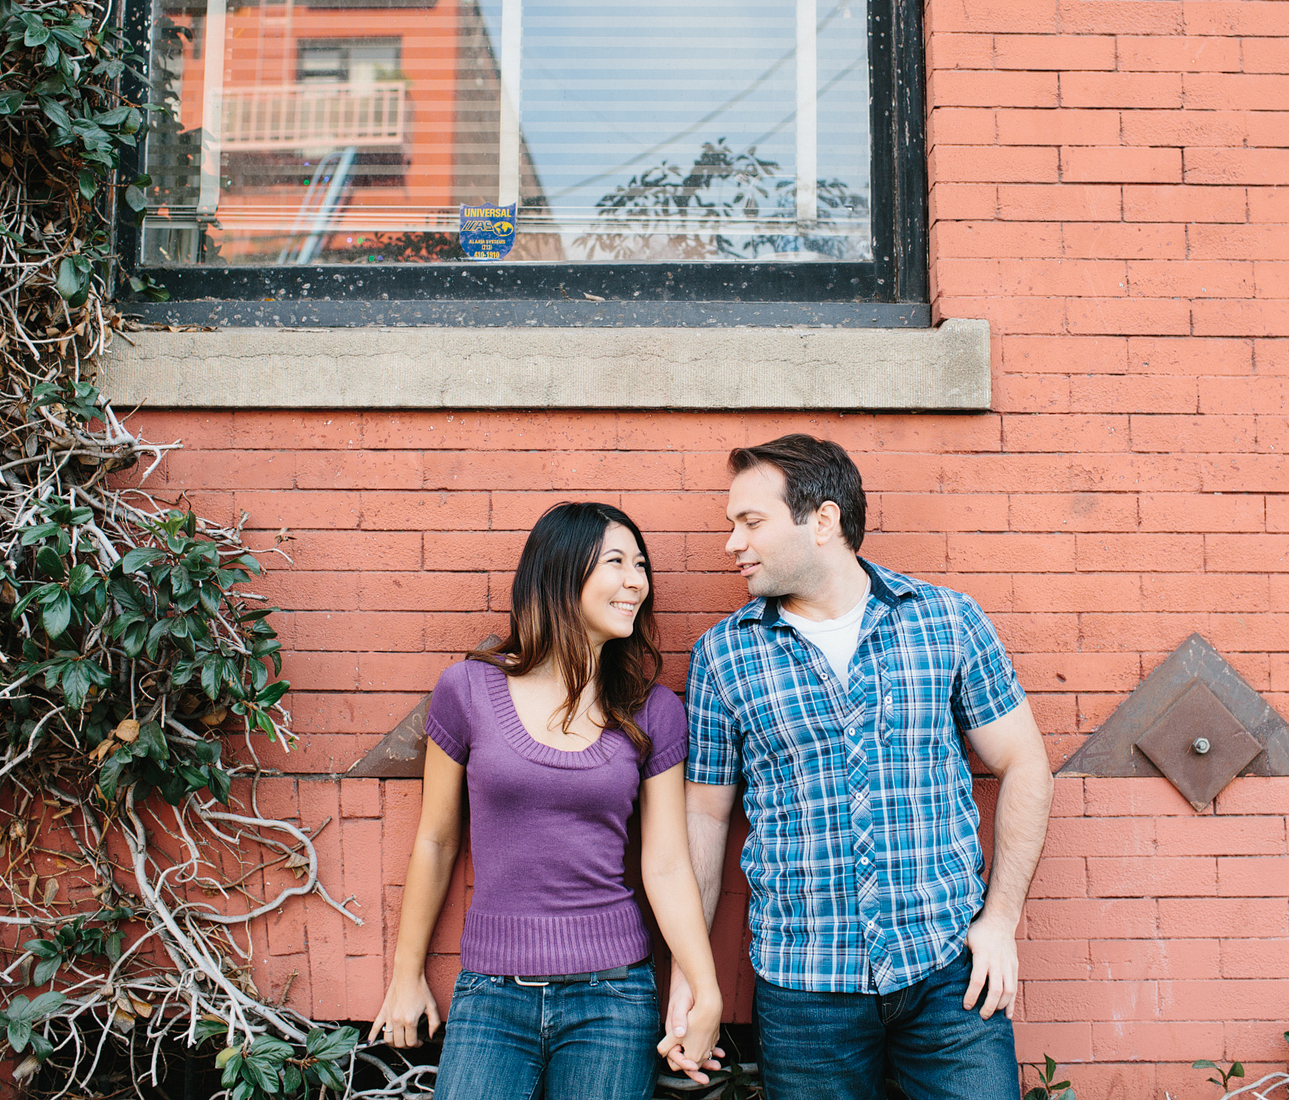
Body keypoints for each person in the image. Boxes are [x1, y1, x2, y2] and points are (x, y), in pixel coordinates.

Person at [660, 434, 1055, 1100]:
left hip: (946, 972)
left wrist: (999, 919)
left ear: (823, 520)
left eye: (750, 522)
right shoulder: (724, 655)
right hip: (805, 987)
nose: (732, 542)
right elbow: (702, 819)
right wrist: (691, 977)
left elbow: (1026, 764)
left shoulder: (946, 622)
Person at [369, 501, 724, 1100]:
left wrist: (704, 988)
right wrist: (407, 974)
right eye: (617, 562)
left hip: (612, 995)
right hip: (490, 993)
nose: (637, 580)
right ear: (560, 573)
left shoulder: (652, 710)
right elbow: (435, 840)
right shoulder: (468, 690)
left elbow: (665, 864)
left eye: (641, 565)